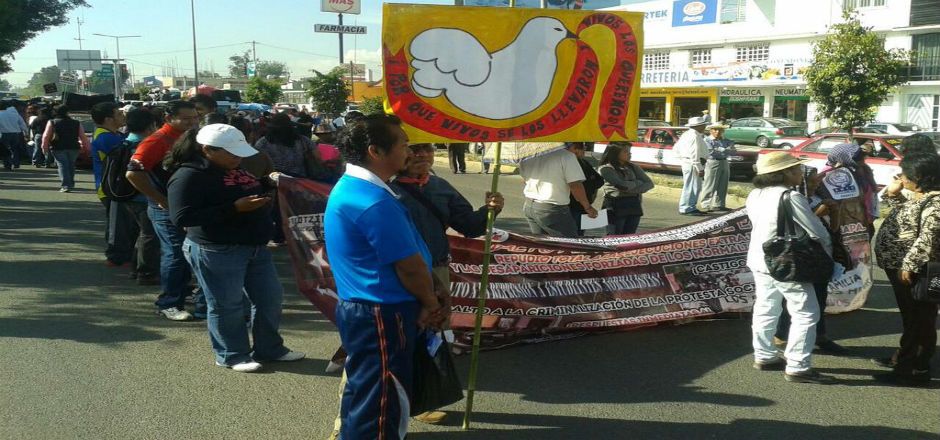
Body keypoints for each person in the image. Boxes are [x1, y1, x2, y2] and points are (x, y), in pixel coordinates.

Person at [324, 114, 445, 439]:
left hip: (372, 310)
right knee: (380, 401)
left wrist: (431, 282)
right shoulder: (371, 200)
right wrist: (430, 302)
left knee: (366, 391)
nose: (410, 152)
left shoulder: (362, 189)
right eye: (404, 145)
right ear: (376, 151)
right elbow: (408, 266)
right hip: (382, 312)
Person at [167, 123, 305, 373]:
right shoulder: (189, 174)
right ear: (207, 149)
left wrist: (266, 183)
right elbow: (182, 217)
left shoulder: (231, 166)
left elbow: (242, 187)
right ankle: (230, 354)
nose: (237, 157)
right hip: (217, 249)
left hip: (254, 246)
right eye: (230, 152)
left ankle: (269, 348)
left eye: (239, 152)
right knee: (226, 304)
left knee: (269, 299)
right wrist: (234, 208)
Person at [745, 152, 836, 385]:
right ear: (783, 173)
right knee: (806, 312)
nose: (800, 173)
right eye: (795, 169)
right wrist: (829, 253)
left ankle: (764, 356)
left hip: (760, 258)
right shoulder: (791, 196)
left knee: (766, 308)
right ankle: (798, 365)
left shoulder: (755, 194)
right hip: (787, 263)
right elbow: (817, 231)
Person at [126, 100, 200, 321]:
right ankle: (168, 302)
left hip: (186, 206)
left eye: (194, 118)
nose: (192, 122)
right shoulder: (156, 140)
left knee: (186, 252)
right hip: (165, 209)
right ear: (169, 118)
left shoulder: (188, 138)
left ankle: (182, 292)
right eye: (186, 118)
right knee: (175, 253)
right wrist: (160, 199)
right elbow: (133, 173)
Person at [873, 152, 940, 386]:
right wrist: (895, 196)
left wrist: (909, 265)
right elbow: (908, 222)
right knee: (913, 318)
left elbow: (928, 238)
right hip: (903, 267)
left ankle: (914, 368)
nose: (900, 178)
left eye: (904, 175)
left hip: (918, 271)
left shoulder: (936, 201)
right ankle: (908, 362)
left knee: (919, 319)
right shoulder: (922, 197)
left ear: (920, 177)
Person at [90, 102, 136, 267]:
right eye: (119, 114)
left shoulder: (113, 134)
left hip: (116, 187)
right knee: (118, 225)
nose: (123, 116)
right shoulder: (105, 137)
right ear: (109, 119)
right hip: (111, 188)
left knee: (125, 223)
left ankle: (123, 254)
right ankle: (116, 257)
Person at [519, 146, 596, 238]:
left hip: (529, 205)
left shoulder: (529, 155)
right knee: (569, 244)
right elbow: (575, 185)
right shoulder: (566, 156)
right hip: (552, 208)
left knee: (542, 244)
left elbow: (524, 180)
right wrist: (587, 207)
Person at [121, 109, 161, 285]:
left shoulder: (125, 142)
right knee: (149, 235)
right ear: (150, 125)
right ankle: (146, 273)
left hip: (128, 195)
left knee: (143, 234)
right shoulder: (144, 145)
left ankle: (136, 268)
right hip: (142, 196)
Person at [598, 142, 654, 235]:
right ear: (615, 153)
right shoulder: (606, 169)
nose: (629, 154)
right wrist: (638, 182)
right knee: (615, 236)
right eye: (625, 152)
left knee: (629, 236)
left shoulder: (633, 167)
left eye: (629, 152)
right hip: (615, 206)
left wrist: (630, 188)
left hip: (634, 205)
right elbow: (622, 186)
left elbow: (649, 184)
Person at [41, 105, 90, 192]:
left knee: (62, 165)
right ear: (67, 112)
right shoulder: (76, 123)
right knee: (71, 165)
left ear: (55, 112)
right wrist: (87, 148)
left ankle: (66, 185)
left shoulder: (52, 122)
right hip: (74, 147)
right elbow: (83, 137)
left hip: (58, 147)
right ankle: (70, 183)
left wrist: (44, 147)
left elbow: (46, 136)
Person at [565, 142, 604, 235]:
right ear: (575, 150)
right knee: (572, 234)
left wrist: (588, 186)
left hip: (582, 204)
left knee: (579, 233)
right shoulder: (568, 163)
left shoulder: (584, 162)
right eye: (583, 149)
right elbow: (575, 185)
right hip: (571, 205)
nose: (584, 151)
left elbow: (599, 180)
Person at [675, 116, 709, 216]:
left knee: (691, 185)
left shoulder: (687, 134)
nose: (705, 127)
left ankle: (689, 206)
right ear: (699, 126)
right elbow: (695, 154)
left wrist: (683, 158)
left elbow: (676, 149)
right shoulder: (694, 136)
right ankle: (687, 207)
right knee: (692, 186)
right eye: (703, 125)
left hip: (689, 162)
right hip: (693, 163)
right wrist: (699, 167)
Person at [700, 123, 735, 213]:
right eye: (715, 129)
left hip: (724, 161)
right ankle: (705, 204)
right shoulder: (707, 140)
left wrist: (722, 149)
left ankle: (719, 204)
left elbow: (733, 151)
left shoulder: (725, 140)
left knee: (723, 184)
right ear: (711, 130)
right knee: (710, 184)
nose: (717, 132)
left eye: (720, 130)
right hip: (713, 162)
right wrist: (725, 150)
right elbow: (711, 152)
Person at [0, 101, 29, 171]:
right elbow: (22, 124)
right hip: (16, 134)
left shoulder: (0, 114)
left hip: (4, 134)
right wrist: (26, 133)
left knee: (5, 150)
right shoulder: (15, 114)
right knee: (15, 149)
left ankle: (8, 165)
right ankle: (16, 163)